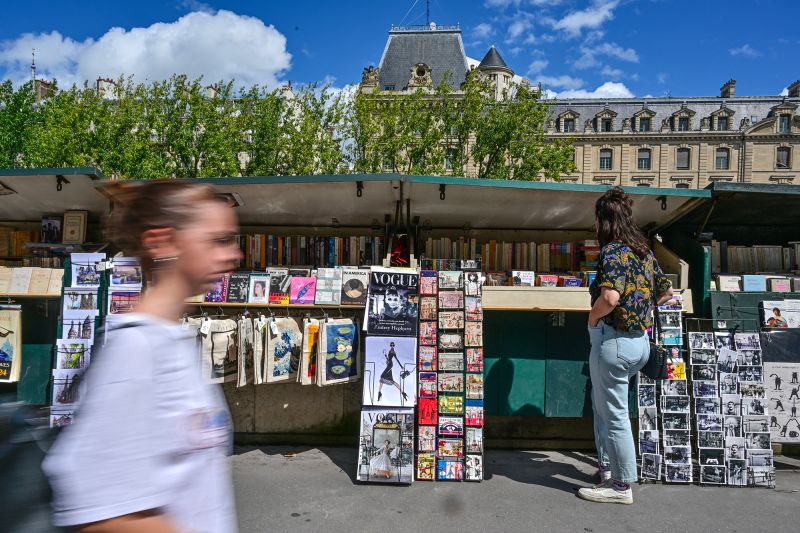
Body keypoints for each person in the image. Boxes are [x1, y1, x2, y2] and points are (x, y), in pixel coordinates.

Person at [43, 181, 242, 533]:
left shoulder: (170, 337)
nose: (235, 254)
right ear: (162, 242)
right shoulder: (137, 347)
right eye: (219, 240)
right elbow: (102, 513)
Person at [579, 187, 673, 506]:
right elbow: (665, 291)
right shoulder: (643, 251)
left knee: (614, 415)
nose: (594, 224)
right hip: (640, 343)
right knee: (605, 408)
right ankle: (608, 469)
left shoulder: (612, 252)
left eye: (596, 219)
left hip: (615, 341)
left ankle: (620, 485)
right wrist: (640, 309)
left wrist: (593, 319)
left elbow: (609, 298)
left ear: (603, 221)